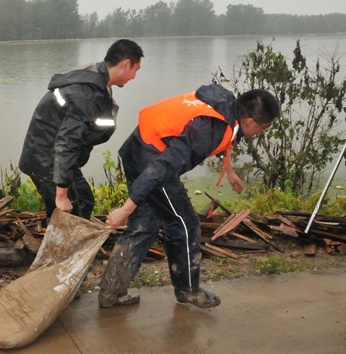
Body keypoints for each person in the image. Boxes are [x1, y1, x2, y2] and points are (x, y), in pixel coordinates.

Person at [98, 84, 280, 309]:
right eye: (264, 128)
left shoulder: (225, 104)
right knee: (185, 223)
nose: (261, 132)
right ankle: (187, 290)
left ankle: (111, 290)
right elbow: (162, 167)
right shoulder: (207, 130)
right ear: (251, 122)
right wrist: (124, 211)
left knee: (146, 224)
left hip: (137, 148)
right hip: (152, 161)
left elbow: (227, 135)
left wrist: (230, 172)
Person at [18, 39, 144, 222]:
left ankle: (65, 238)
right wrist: (61, 195)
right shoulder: (86, 94)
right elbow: (67, 142)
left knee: (84, 200)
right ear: (126, 64)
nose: (134, 77)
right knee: (69, 211)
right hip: (46, 159)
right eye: (136, 70)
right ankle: (59, 247)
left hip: (57, 158)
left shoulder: (98, 79)